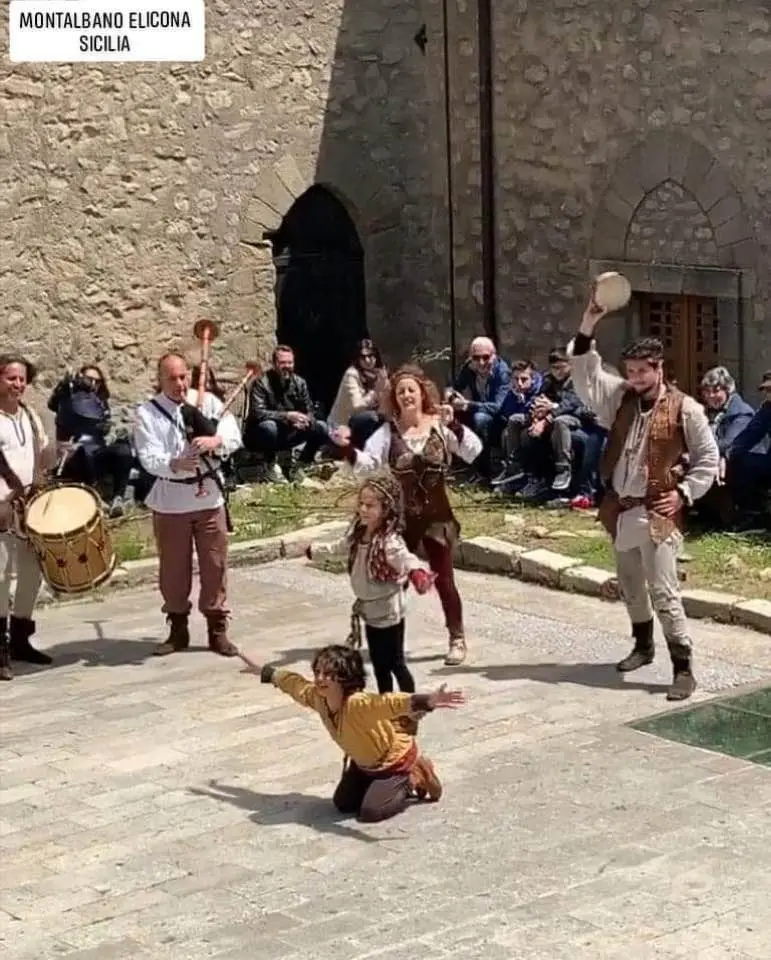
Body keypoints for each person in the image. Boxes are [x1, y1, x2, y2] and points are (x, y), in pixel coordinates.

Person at [569, 293, 719, 701]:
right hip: (622, 508)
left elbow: (708, 458)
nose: (634, 377)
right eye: (630, 370)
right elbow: (585, 371)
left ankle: (683, 666)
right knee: (631, 586)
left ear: (659, 368)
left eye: (641, 371)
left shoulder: (686, 409)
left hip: (658, 511)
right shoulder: (621, 399)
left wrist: (685, 493)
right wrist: (589, 321)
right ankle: (643, 645)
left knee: (665, 592)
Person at [333, 365, 482, 666]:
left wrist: (455, 427)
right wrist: (346, 448)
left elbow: (473, 451)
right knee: (389, 581)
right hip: (400, 520)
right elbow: (368, 465)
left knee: (444, 579)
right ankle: (384, 640)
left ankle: (456, 636)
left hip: (437, 517)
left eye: (411, 390)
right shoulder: (388, 432)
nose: (406, 395)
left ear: (422, 393)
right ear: (395, 398)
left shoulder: (439, 424)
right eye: (400, 392)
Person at [249, 643, 465, 822]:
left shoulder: (357, 703)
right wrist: (267, 673)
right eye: (318, 673)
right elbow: (295, 685)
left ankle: (415, 775)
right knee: (342, 804)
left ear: (344, 678)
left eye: (328, 674)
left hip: (393, 761)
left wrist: (428, 700)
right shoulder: (318, 697)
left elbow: (389, 703)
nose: (320, 679)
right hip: (364, 764)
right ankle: (379, 787)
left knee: (371, 813)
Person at [133, 353, 243, 657]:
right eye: (173, 378)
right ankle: (177, 629)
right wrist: (175, 463)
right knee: (173, 569)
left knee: (214, 563)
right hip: (171, 502)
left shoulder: (206, 401)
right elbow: (148, 457)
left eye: (184, 377)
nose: (181, 384)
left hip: (209, 497)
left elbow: (233, 434)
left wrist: (215, 442)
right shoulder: (148, 413)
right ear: (160, 379)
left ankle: (217, 629)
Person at [307, 471, 434, 698]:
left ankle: (411, 705)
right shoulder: (358, 533)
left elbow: (406, 559)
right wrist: (314, 551)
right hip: (369, 611)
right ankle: (385, 704)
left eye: (371, 505)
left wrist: (418, 575)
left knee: (396, 663)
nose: (364, 510)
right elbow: (339, 547)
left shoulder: (389, 541)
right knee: (378, 665)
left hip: (388, 612)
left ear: (386, 509)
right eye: (362, 504)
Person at [0, 355, 60, 679]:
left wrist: (59, 451)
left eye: (22, 379)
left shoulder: (31, 416)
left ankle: (21, 640)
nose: (18, 385)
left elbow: (43, 457)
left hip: (30, 509)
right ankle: (0, 650)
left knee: (31, 573)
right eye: (11, 378)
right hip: (3, 509)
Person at [47, 364, 134, 518]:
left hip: (96, 453)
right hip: (73, 458)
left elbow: (104, 431)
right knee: (82, 451)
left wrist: (112, 432)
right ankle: (95, 498)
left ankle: (117, 498)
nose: (94, 384)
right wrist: (66, 383)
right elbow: (53, 404)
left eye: (98, 381)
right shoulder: (69, 399)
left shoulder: (99, 404)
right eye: (89, 380)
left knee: (123, 449)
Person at [243, 345, 329, 483]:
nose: (287, 366)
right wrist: (287, 416)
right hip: (262, 435)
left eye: (290, 362)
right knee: (269, 427)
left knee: (321, 427)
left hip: (289, 431)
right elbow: (258, 413)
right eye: (283, 363)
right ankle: (270, 466)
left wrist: (305, 420)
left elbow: (309, 409)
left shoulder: (299, 383)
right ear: (274, 364)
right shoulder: (261, 383)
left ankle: (301, 464)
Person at [447, 337, 510, 478]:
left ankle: (485, 470)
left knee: (480, 418)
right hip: (478, 410)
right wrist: (451, 398)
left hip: (500, 418)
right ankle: (459, 464)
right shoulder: (469, 368)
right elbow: (454, 386)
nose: (481, 362)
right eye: (476, 358)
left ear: (494, 355)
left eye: (485, 357)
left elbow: (498, 407)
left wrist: (468, 405)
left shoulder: (503, 373)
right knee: (449, 413)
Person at [328, 339, 388, 450]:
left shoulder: (380, 373)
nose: (367, 360)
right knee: (371, 417)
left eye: (371, 356)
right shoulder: (352, 374)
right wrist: (375, 391)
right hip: (343, 426)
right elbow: (357, 407)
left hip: (368, 421)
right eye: (363, 357)